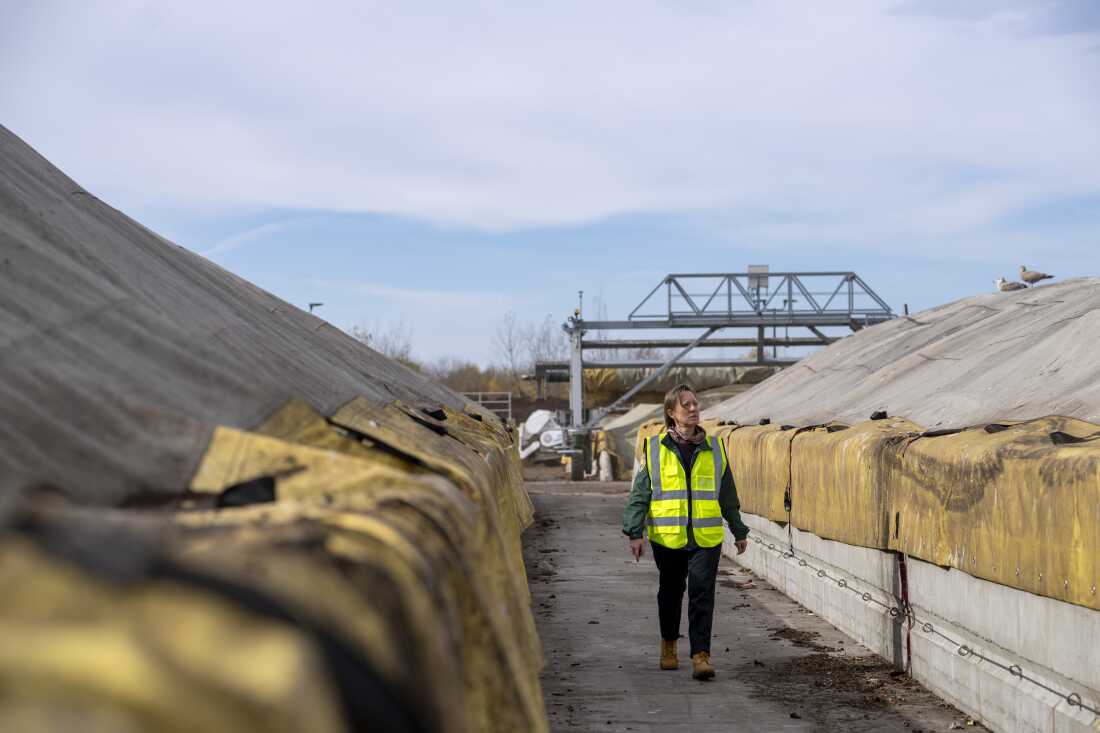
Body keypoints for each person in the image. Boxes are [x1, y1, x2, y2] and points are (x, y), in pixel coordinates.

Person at [621, 383, 749, 680]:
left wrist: (738, 528)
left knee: (702, 594)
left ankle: (700, 655)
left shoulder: (715, 447)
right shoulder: (654, 449)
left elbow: (727, 493)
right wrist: (634, 531)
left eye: (695, 404)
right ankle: (669, 644)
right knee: (670, 593)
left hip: (705, 538)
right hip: (668, 537)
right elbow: (641, 493)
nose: (693, 409)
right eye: (686, 405)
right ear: (671, 413)